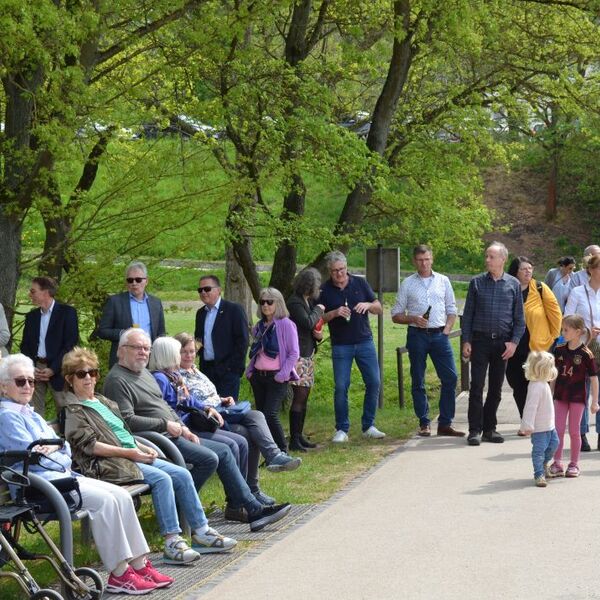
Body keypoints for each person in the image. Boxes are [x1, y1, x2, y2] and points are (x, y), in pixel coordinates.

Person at [0, 353, 171, 594]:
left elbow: (64, 448)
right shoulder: (7, 417)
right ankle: (120, 574)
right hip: (40, 487)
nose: (28, 386)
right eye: (20, 381)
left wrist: (56, 449)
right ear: (3, 386)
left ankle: (139, 565)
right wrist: (57, 451)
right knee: (105, 502)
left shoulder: (30, 413)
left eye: (31, 381)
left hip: (61, 478)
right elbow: (35, 459)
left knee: (121, 497)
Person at [102, 328, 291, 531]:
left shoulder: (143, 374)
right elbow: (126, 421)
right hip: (155, 440)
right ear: (121, 350)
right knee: (210, 457)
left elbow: (164, 407)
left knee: (224, 451)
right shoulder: (117, 380)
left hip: (174, 434)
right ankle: (183, 508)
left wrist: (184, 428)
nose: (143, 352)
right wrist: (166, 425)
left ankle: (247, 509)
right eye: (137, 348)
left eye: (146, 348)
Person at [62, 347, 236, 564]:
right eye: (81, 374)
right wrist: (131, 452)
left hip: (132, 455)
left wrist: (142, 448)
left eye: (93, 372)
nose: (88, 378)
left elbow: (123, 433)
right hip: (110, 463)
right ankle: (172, 542)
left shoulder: (103, 402)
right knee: (163, 479)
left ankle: (201, 532)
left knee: (182, 474)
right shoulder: (72, 409)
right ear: (70, 379)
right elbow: (89, 446)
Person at [175, 332, 301, 504]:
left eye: (192, 351)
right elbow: (190, 402)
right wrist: (211, 406)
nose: (189, 355)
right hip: (206, 419)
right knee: (246, 433)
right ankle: (245, 494)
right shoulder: (177, 376)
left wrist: (222, 399)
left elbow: (208, 394)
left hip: (221, 409)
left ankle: (257, 482)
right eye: (185, 352)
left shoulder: (196, 371)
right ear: (175, 353)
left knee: (256, 416)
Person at [391, 244, 464, 437]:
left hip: (440, 334)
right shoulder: (407, 283)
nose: (424, 263)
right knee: (418, 378)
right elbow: (395, 315)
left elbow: (451, 308)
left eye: (427, 259)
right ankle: (424, 422)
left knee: (451, 377)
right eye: (420, 260)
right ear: (414, 261)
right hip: (417, 335)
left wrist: (447, 329)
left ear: (432, 259)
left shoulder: (443, 280)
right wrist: (413, 318)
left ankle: (445, 422)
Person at [461, 241, 525, 446]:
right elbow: (468, 315)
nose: (487, 260)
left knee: (496, 388)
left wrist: (514, 343)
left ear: (502, 260)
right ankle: (474, 430)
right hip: (479, 341)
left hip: (502, 344)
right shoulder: (476, 282)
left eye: (491, 256)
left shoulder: (513, 284)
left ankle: (490, 428)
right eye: (486, 256)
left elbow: (519, 319)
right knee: (477, 386)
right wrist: (466, 340)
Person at [318, 251, 386, 443]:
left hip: (364, 341)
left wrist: (367, 305)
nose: (339, 274)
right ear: (329, 272)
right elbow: (317, 320)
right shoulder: (324, 290)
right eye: (334, 271)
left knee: (374, 382)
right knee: (341, 387)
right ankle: (342, 429)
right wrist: (334, 313)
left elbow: (379, 307)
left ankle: (369, 425)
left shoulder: (360, 283)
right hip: (341, 345)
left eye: (342, 270)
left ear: (347, 268)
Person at [505, 257, 562, 421]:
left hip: (538, 345)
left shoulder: (540, 288)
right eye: (524, 268)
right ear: (515, 271)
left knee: (538, 384)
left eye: (530, 268)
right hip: (514, 345)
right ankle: (526, 417)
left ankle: (541, 420)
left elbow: (555, 313)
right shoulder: (507, 287)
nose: (528, 271)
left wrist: (553, 337)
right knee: (516, 382)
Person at [246, 288, 300, 453]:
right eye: (262, 302)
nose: (266, 305)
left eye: (270, 302)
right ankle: (269, 452)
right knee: (261, 416)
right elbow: (256, 351)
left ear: (278, 303)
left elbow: (294, 353)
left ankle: (282, 450)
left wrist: (282, 375)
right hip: (258, 376)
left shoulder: (286, 324)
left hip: (276, 377)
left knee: (270, 414)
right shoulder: (260, 326)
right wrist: (250, 371)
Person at [548, 315, 599, 478]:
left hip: (578, 398)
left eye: (566, 330)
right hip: (561, 397)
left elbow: (593, 379)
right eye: (562, 329)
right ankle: (557, 463)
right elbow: (554, 374)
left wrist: (595, 402)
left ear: (578, 332)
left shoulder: (586, 354)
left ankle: (574, 464)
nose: (563, 332)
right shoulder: (559, 350)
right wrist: (550, 394)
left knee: (575, 431)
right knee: (558, 430)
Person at [19, 276, 79, 416]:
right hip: (36, 369)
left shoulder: (67, 313)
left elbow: (70, 344)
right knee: (33, 413)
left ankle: (67, 437)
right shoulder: (32, 317)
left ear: (45, 292)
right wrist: (31, 367)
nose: (30, 295)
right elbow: (25, 346)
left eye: (33, 291)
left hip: (60, 368)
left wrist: (53, 369)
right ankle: (39, 438)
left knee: (66, 412)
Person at [97, 261, 166, 368]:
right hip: (124, 361)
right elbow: (102, 331)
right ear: (126, 283)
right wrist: (123, 334)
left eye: (138, 280)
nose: (134, 283)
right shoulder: (115, 301)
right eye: (130, 280)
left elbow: (161, 333)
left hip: (149, 360)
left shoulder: (156, 303)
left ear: (146, 281)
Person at [564, 253, 600, 451]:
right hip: (583, 347)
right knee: (583, 390)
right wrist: (586, 331)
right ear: (592, 270)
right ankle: (582, 434)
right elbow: (567, 319)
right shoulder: (578, 292)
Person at [286, 268, 325, 451]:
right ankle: (294, 439)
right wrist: (319, 310)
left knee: (304, 396)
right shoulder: (295, 302)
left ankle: (299, 436)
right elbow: (307, 322)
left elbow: (310, 327)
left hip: (307, 353)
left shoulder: (304, 301)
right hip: (298, 355)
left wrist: (317, 335)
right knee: (299, 397)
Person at [194, 274, 249, 399]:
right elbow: (198, 340)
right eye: (200, 290)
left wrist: (232, 368)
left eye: (207, 289)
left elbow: (242, 341)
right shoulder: (201, 313)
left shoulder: (234, 310)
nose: (203, 292)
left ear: (219, 290)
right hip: (206, 370)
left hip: (228, 371)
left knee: (227, 411)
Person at [519, 351, 559, 488]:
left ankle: (544, 464)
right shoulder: (536, 386)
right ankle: (539, 474)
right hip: (539, 428)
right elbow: (530, 407)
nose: (553, 370)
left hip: (549, 426)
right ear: (542, 370)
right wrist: (527, 425)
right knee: (539, 451)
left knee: (554, 444)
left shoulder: (543, 384)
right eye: (551, 367)